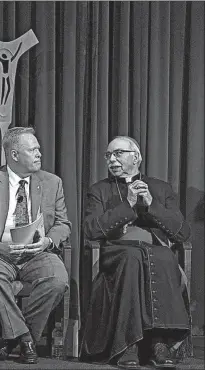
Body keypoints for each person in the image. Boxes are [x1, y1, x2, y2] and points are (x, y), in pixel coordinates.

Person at [0, 127, 71, 364]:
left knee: (58, 279)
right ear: (14, 155)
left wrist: (47, 242)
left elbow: (63, 224)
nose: (39, 154)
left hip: (36, 253)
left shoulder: (53, 182)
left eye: (39, 149)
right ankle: (25, 339)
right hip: (0, 252)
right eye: (33, 150)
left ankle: (15, 339)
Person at [79, 136, 191, 369]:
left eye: (118, 153)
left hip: (155, 250)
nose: (112, 159)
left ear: (136, 157)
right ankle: (127, 344)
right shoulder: (99, 190)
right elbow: (91, 230)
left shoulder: (160, 188)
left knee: (162, 256)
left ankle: (159, 343)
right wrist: (128, 205)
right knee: (133, 258)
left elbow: (181, 233)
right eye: (108, 155)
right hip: (118, 252)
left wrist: (151, 203)